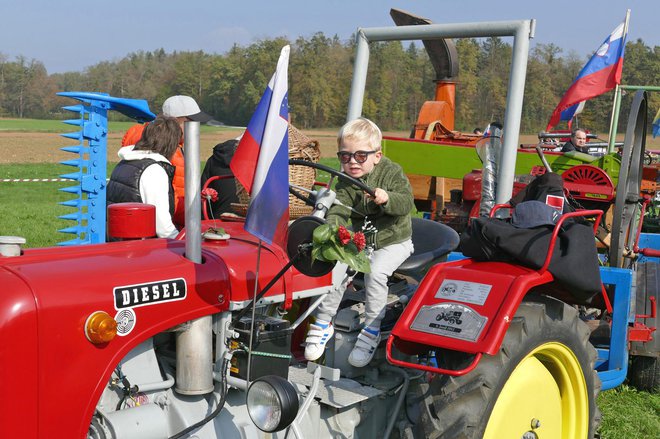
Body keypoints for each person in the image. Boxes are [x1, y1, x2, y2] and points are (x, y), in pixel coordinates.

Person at [304, 117, 415, 367]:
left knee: (375, 272)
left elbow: (407, 202)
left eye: (360, 156)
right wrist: (333, 230)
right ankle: (323, 321)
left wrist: (388, 198)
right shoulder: (345, 180)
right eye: (345, 156)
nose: (352, 162)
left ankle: (371, 329)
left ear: (377, 155)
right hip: (361, 239)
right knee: (333, 263)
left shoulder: (391, 172)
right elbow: (340, 210)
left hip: (393, 240)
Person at [121, 96, 213, 226]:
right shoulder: (164, 149)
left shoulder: (152, 142)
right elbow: (170, 196)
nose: (195, 128)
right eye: (190, 122)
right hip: (169, 226)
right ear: (174, 121)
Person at [108, 116, 183, 239]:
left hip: (118, 243)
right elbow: (163, 228)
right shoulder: (154, 171)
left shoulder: (123, 163)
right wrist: (184, 243)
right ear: (170, 145)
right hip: (140, 248)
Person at [200, 138, 240, 217]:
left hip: (217, 219)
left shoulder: (212, 160)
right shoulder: (250, 162)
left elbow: (203, 192)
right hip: (245, 219)